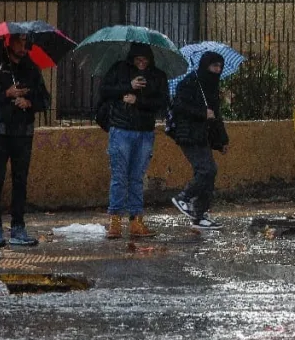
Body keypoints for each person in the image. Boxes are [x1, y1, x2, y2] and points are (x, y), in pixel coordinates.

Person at [0, 34, 51, 247]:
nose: (23, 45)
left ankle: (18, 227)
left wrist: (29, 102)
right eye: (19, 40)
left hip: (23, 131)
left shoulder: (32, 68)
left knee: (20, 180)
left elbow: (45, 99)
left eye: (26, 41)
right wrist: (5, 93)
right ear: (10, 42)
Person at [95, 43, 169, 239]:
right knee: (119, 176)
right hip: (121, 129)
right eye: (138, 60)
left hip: (145, 131)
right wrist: (129, 86)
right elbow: (104, 90)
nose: (142, 63)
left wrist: (139, 100)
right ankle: (115, 220)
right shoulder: (119, 69)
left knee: (137, 177)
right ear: (132, 59)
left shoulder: (158, 75)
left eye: (145, 60)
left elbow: (163, 102)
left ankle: (136, 220)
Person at [169, 51, 230, 230]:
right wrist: (202, 113)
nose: (217, 70)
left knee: (208, 173)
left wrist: (221, 141)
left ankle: (199, 214)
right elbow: (179, 106)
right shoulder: (190, 83)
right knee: (206, 170)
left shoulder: (211, 87)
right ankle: (183, 197)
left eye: (219, 66)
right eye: (214, 66)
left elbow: (216, 117)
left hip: (202, 134)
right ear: (205, 66)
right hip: (188, 134)